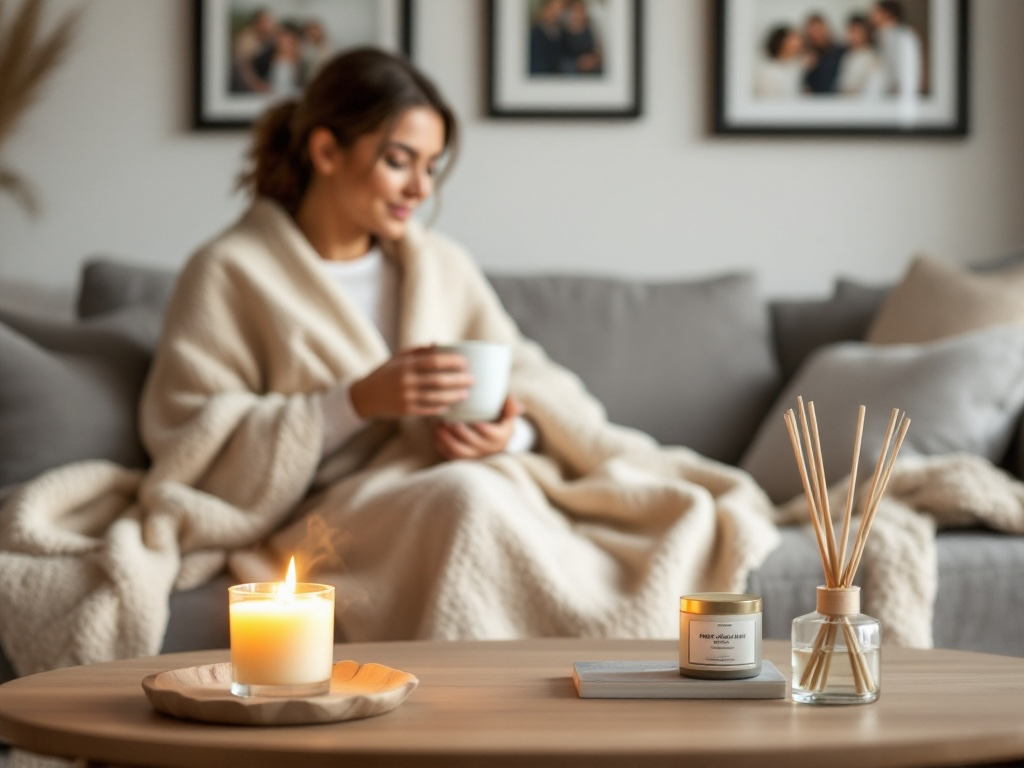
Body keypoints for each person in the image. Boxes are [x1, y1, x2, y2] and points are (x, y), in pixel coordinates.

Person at [0, 49, 779, 676]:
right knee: (465, 501)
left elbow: (533, 381)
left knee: (477, 490)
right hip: (330, 514)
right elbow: (191, 437)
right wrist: (356, 400)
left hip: (458, 479)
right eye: (401, 161)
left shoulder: (438, 264)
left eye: (432, 167)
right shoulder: (230, 272)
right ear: (326, 150)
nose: (419, 188)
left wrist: (507, 433)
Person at [869, 0, 923, 99]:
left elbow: (907, 74)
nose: (871, 16)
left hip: (898, 99)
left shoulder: (904, 37)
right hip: (884, 98)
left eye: (876, 12)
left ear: (887, 14)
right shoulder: (882, 36)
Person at [230, 8, 276, 93]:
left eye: (269, 21)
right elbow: (243, 66)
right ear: (256, 23)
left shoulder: (271, 38)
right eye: (264, 22)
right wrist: (255, 84)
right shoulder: (247, 40)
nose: (267, 25)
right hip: (244, 86)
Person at [754, 25, 806, 98]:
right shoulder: (769, 71)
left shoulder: (796, 67)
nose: (799, 42)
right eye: (793, 38)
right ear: (783, 43)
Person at [837, 14, 883, 96]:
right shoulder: (847, 55)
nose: (852, 36)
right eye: (850, 31)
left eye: (857, 32)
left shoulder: (871, 58)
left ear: (866, 34)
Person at [802, 13, 845, 94]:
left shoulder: (840, 52)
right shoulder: (807, 55)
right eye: (813, 31)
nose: (816, 34)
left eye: (819, 30)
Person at [561, 0, 602, 74]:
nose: (578, 14)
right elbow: (561, 57)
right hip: (571, 68)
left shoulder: (591, 29)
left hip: (591, 66)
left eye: (581, 10)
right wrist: (578, 63)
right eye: (575, 10)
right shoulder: (563, 31)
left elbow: (598, 51)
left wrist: (593, 60)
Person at [529, 0, 565, 75]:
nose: (555, 13)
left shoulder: (563, 35)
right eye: (552, 8)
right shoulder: (534, 35)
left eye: (559, 9)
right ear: (544, 9)